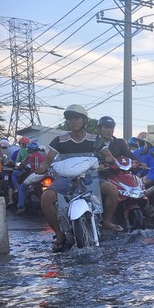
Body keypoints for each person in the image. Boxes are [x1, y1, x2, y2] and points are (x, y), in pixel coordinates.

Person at [37, 104, 120, 251]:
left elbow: (106, 152)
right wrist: (43, 165)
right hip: (65, 180)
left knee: (112, 189)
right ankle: (59, 233)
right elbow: (48, 158)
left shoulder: (95, 139)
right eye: (70, 119)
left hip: (90, 179)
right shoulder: (59, 140)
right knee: (46, 198)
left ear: (84, 121)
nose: (73, 121)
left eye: (76, 118)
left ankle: (106, 221)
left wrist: (108, 157)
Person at [15, 141, 45, 215]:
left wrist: (18, 167)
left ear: (31, 149)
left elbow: (23, 164)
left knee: (22, 188)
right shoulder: (43, 155)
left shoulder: (30, 156)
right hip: (44, 175)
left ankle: (21, 206)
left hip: (34, 175)